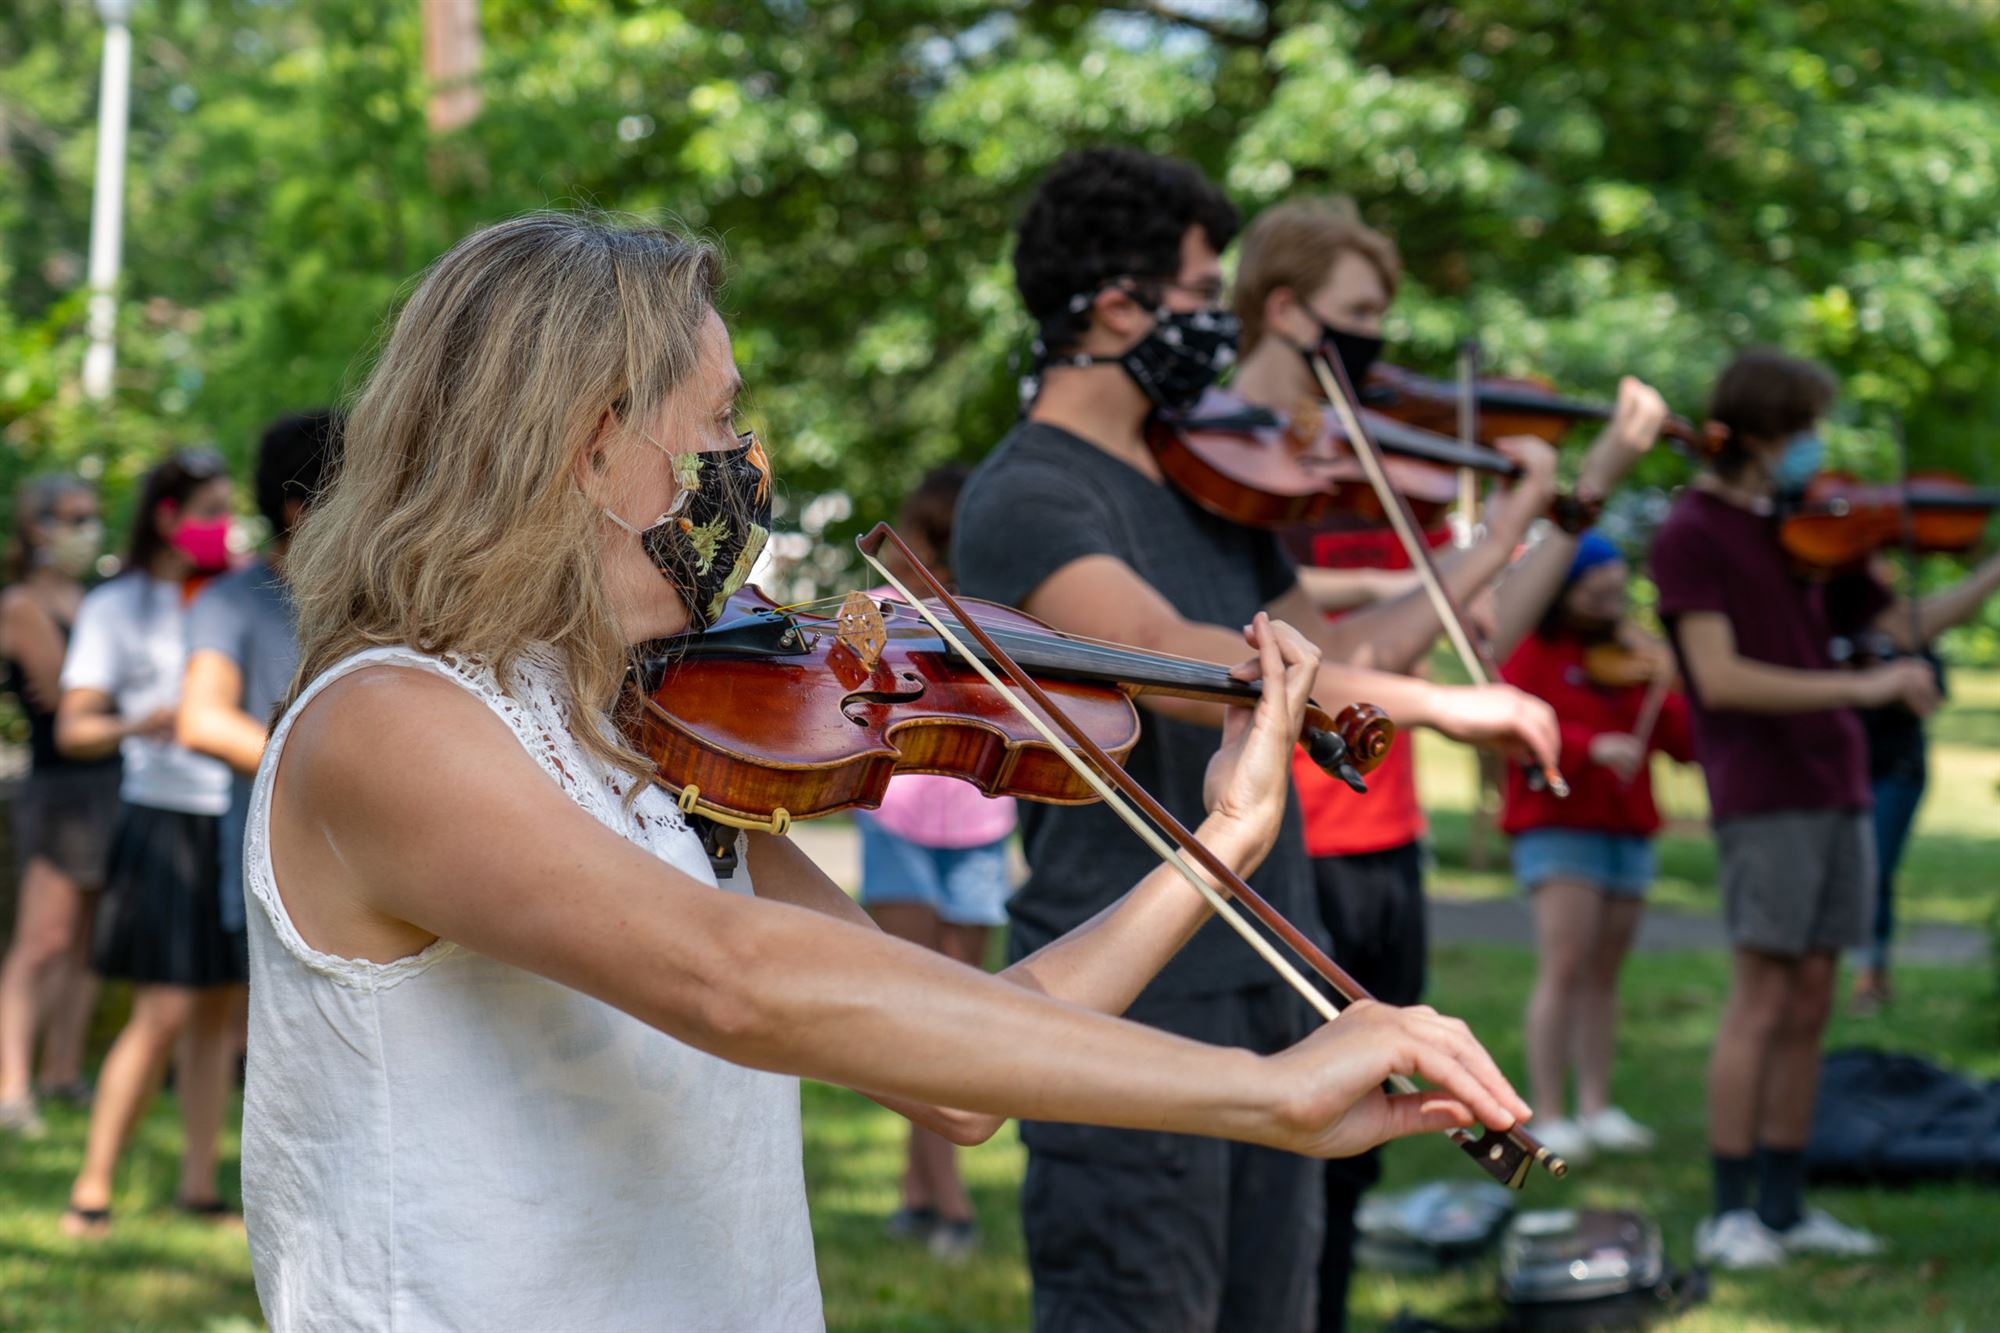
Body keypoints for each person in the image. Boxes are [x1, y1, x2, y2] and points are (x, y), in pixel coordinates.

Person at [242, 211, 1530, 1331]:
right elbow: (731, 979)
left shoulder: (640, 730)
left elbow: (945, 1073)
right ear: (591, 445)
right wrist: (1262, 1093)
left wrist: (1217, 847)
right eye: (722, 417)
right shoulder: (389, 721)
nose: (750, 462)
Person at [953, 150, 1555, 1333]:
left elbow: (1339, 643)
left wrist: (1506, 532)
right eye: (1193, 293)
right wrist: (1447, 709)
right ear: (1116, 305)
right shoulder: (1023, 496)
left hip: (1281, 974)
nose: (1211, 328)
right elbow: (1175, 660)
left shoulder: (1208, 479)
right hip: (1128, 995)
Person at [1225, 194, 1668, 1330]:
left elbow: (1472, 625)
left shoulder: (1356, 471)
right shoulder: (1248, 491)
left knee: (1357, 1140)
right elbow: (1372, 653)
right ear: (1282, 310)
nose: (1376, 349)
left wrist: (1558, 496)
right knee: (1289, 1151)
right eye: (1358, 316)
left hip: (1385, 843)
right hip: (1293, 846)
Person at [1652, 347, 2000, 1269]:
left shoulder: (1809, 529)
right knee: (1761, 998)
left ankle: (1785, 1202)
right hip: (1764, 793)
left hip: (1836, 782)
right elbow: (1720, 679)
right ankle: (1729, 1212)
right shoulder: (1693, 531)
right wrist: (1866, 688)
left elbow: (1901, 629)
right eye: (1802, 428)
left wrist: (1992, 569)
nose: (1814, 447)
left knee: (1811, 1001)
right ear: (1758, 432)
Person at [56, 450, 243, 1237]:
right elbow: (75, 727)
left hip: (230, 815)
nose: (221, 525)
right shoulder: (117, 606)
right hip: (162, 817)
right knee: (162, 1010)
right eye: (207, 508)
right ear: (167, 516)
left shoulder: (238, 596)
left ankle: (198, 1186)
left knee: (218, 1015)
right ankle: (91, 1186)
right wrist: (141, 722)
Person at [854, 464, 1017, 1260]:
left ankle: (920, 1194)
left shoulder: (990, 621)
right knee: (922, 1012)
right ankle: (948, 1200)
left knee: (958, 1015)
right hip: (903, 818)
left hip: (979, 823)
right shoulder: (883, 614)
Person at [1500, 532, 1694, 1164]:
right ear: (1562, 592)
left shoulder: (1633, 655)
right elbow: (1514, 723)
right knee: (1565, 965)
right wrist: (1589, 746)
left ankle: (1597, 1105)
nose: (1612, 605)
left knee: (1604, 975)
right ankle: (1550, 1113)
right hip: (1560, 821)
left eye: (1618, 591)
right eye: (1596, 593)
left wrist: (1673, 684)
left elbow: (1683, 742)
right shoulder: (1533, 650)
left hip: (1628, 824)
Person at [179, 411, 344, 945]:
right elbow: (203, 721)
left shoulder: (375, 598)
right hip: (276, 865)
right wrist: (343, 777)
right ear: (300, 511)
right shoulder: (231, 602)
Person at [0, 475, 120, 1137]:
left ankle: (63, 1072)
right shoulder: (21, 603)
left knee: (83, 941)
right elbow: (69, 696)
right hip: (59, 789)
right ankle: (10, 1087)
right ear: (38, 525)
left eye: (93, 515)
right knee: (40, 941)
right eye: (76, 517)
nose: (87, 527)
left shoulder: (95, 598)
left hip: (109, 782)